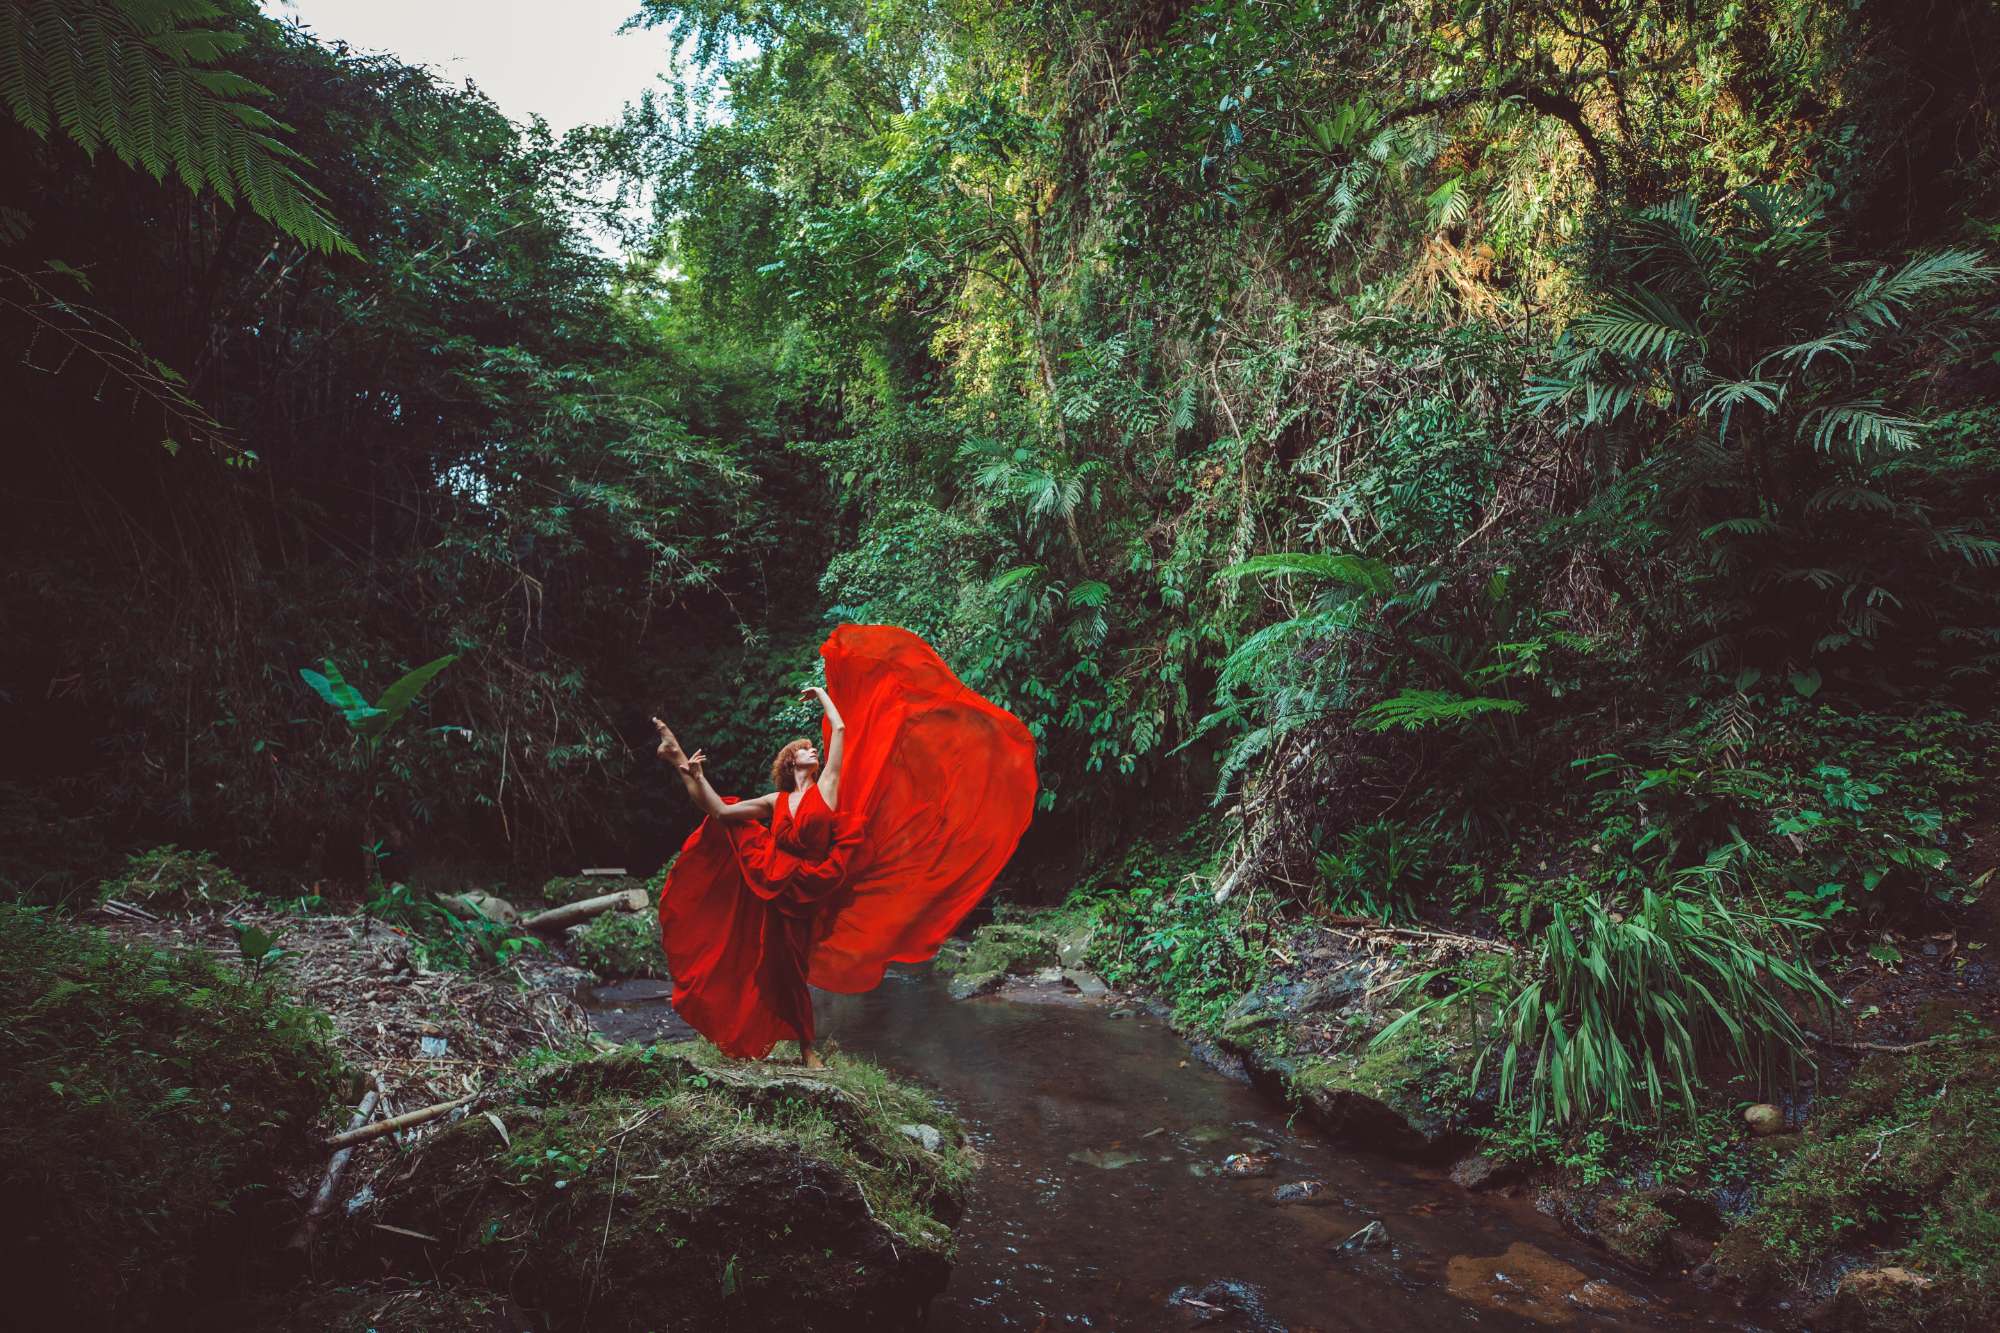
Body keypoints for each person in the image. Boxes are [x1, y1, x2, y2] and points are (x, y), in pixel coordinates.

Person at [651, 622, 1038, 1066]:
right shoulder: (775, 800)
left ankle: (808, 1050)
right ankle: (678, 759)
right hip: (773, 884)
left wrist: (821, 695)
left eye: (813, 748)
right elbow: (718, 812)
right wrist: (694, 775)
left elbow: (842, 729)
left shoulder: (828, 788)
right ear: (790, 761)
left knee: (794, 968)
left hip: (812, 888)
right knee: (770, 959)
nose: (812, 750)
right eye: (804, 749)